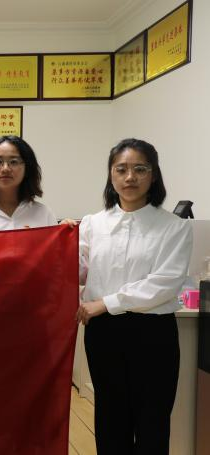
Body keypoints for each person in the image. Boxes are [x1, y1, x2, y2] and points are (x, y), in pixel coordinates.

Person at [76, 138, 192, 454]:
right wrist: (52, 241)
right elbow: (79, 271)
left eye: (140, 169)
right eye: (121, 169)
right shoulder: (93, 224)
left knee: (153, 420)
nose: (130, 177)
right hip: (103, 333)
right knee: (110, 418)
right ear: (111, 175)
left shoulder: (174, 227)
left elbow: (165, 283)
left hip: (152, 333)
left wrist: (106, 303)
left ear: (153, 176)